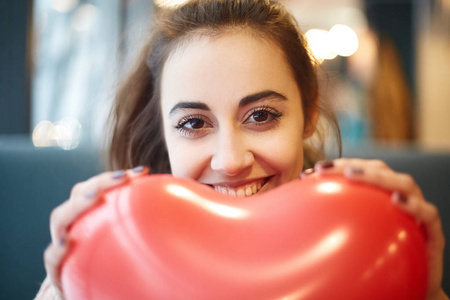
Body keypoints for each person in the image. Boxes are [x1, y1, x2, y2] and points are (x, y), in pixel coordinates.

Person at [35, 0, 448, 299]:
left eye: (261, 115)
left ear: (308, 112)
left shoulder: (362, 243)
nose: (231, 161)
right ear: (163, 133)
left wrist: (424, 291)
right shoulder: (120, 251)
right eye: (194, 123)